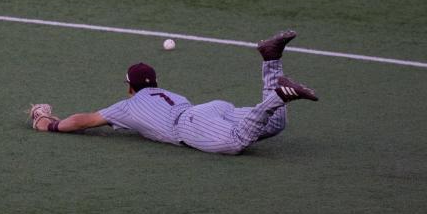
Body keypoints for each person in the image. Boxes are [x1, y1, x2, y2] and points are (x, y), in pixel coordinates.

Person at [27, 30, 318, 155]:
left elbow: (84, 120)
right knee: (276, 124)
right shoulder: (168, 93)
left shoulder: (126, 107)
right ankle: (271, 60)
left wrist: (49, 123)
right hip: (210, 109)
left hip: (191, 125)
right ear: (155, 82)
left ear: (130, 87)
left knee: (236, 143)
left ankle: (278, 94)